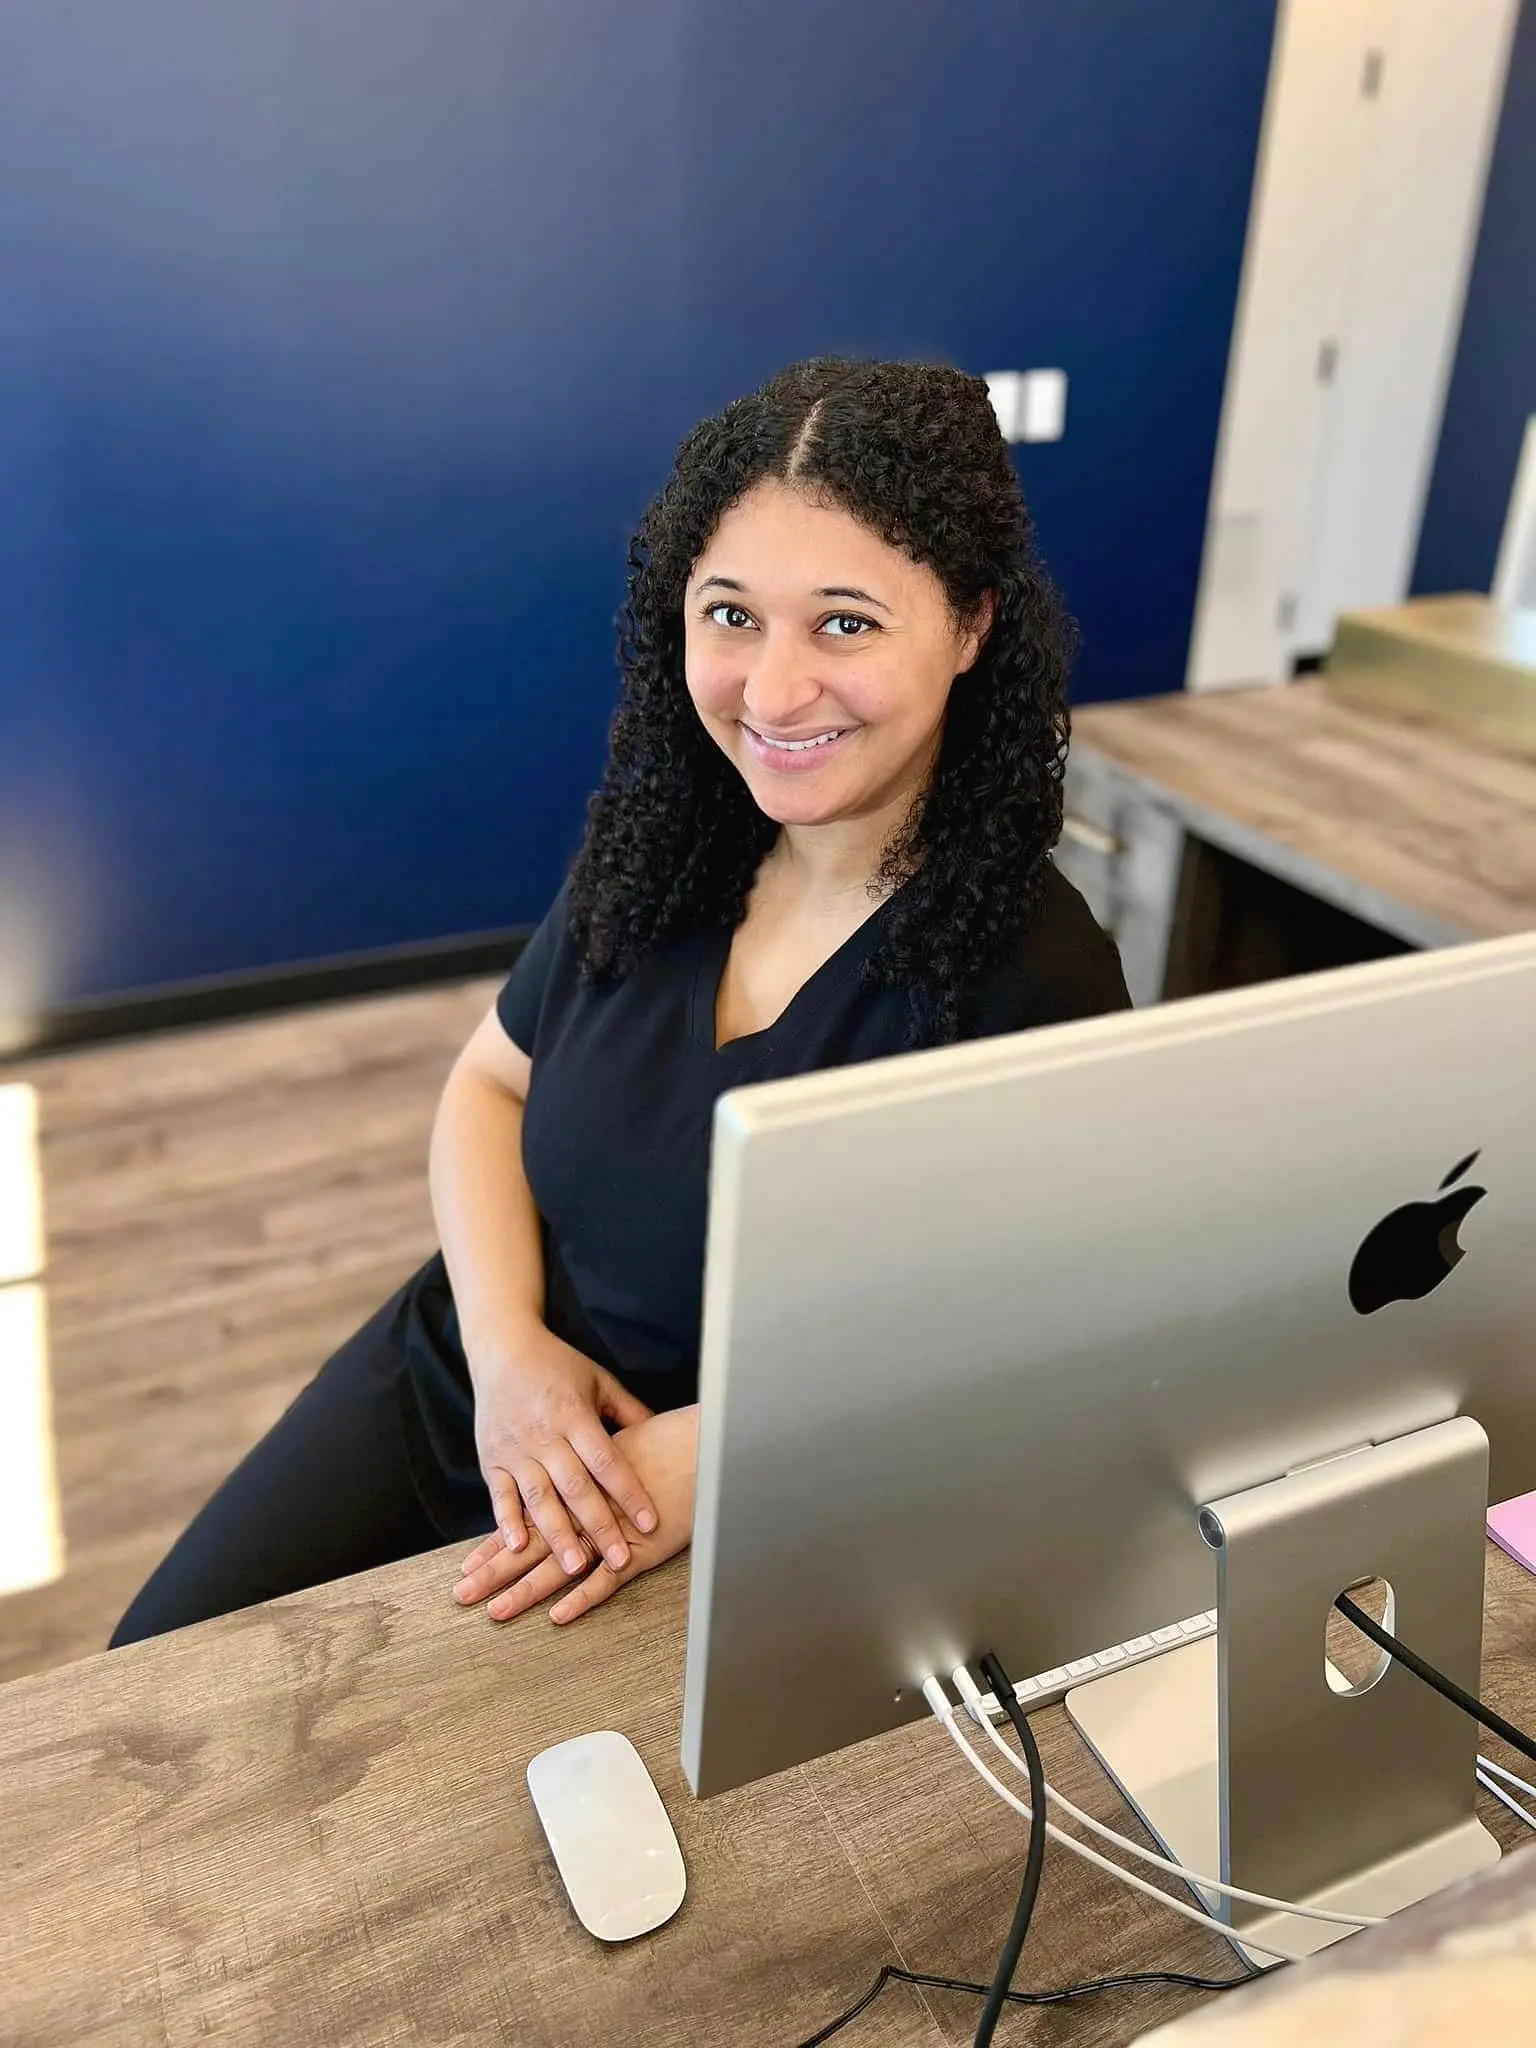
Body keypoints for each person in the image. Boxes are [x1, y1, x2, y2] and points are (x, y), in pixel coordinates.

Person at [109, 355, 1131, 1650]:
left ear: (973, 626)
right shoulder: (668, 841)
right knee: (153, 1669)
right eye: (731, 615)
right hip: (467, 1374)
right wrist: (503, 1352)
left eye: (847, 622)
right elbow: (489, 1084)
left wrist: (714, 1455)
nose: (771, 691)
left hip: (707, 1491)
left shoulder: (1040, 977)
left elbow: (1016, 1341)